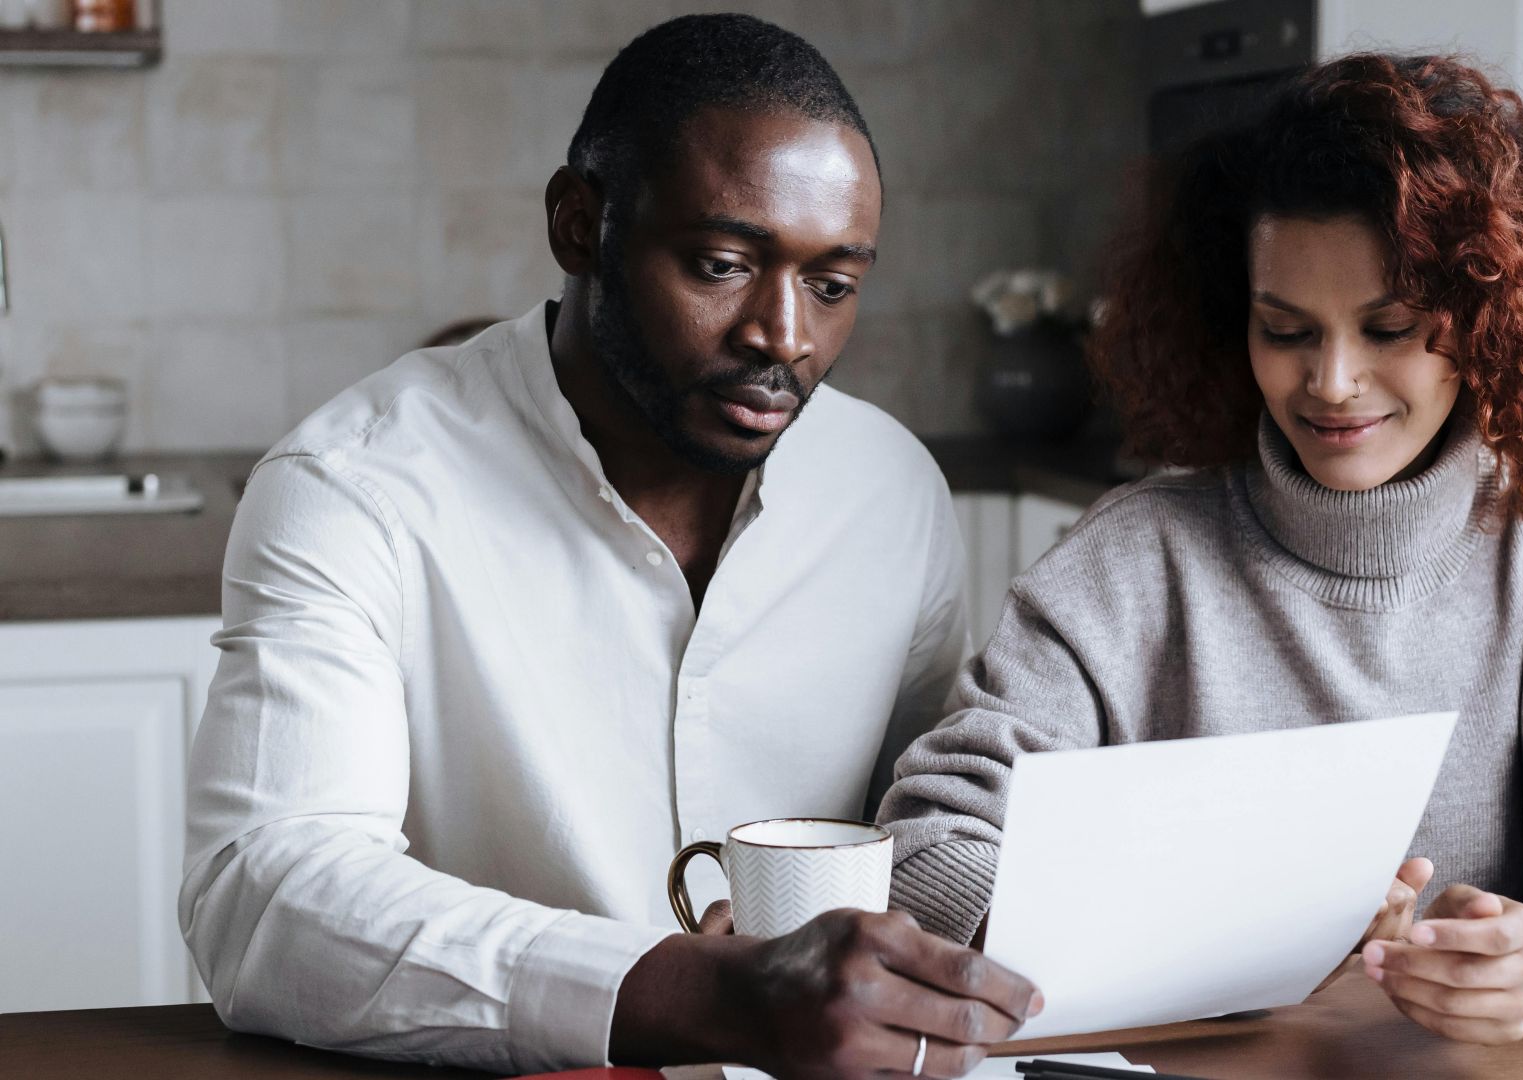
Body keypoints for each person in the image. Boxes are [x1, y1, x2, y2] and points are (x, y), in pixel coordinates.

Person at [180, 15, 1040, 1078]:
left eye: (832, 285)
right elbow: (264, 895)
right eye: (724, 264)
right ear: (579, 226)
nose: (784, 335)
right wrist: (698, 992)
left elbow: (918, 833)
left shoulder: (891, 491)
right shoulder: (353, 490)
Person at [879, 53, 1523, 1045]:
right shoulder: (1130, 565)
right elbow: (926, 841)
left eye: (1390, 328)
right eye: (1286, 330)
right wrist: (1222, 937)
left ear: (1487, 319)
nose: (1331, 381)